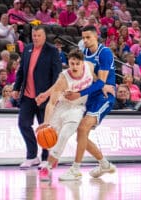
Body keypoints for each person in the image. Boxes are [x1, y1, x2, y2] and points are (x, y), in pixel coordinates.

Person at [59, 25, 116, 181]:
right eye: (83, 38)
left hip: (104, 97)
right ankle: (104, 164)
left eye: (88, 37)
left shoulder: (105, 53)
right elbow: (87, 77)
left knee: (83, 128)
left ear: (96, 36)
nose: (85, 40)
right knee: (80, 134)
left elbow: (101, 82)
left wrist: (78, 93)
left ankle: (75, 170)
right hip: (90, 95)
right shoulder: (83, 53)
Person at [35, 49, 95, 181]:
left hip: (77, 108)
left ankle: (48, 166)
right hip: (62, 107)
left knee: (64, 135)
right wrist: (46, 122)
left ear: (82, 63)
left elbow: (98, 80)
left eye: (77, 64)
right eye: (71, 63)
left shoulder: (90, 67)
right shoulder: (63, 78)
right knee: (50, 138)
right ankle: (54, 156)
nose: (74, 67)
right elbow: (51, 103)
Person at [12, 25, 62, 170]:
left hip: (44, 97)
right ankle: (32, 156)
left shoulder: (52, 51)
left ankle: (46, 158)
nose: (36, 38)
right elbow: (21, 71)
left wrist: (52, 95)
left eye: (39, 35)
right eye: (34, 35)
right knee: (23, 124)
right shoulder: (27, 49)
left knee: (45, 128)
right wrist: (16, 88)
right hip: (27, 96)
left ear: (44, 36)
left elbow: (57, 74)